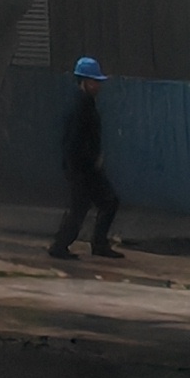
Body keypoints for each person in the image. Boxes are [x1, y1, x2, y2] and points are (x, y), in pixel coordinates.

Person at [49, 53, 124, 259]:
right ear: (84, 81)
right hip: (83, 167)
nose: (98, 85)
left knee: (102, 203)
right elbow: (75, 141)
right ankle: (62, 246)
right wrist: (89, 161)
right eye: (94, 81)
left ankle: (87, 244)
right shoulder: (81, 106)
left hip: (84, 166)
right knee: (87, 205)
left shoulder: (84, 103)